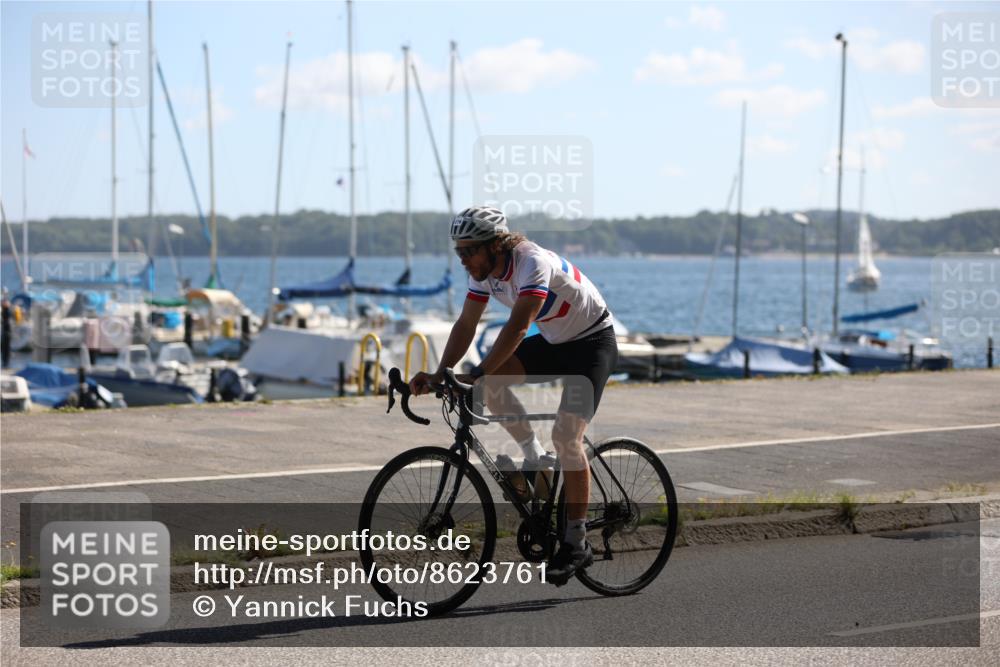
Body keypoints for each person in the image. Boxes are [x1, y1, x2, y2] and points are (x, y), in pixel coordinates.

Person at [409, 206, 618, 585]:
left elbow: (519, 327)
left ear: (495, 245)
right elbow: (466, 324)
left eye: (469, 251)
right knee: (490, 386)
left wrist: (479, 372)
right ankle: (535, 459)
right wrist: (441, 373)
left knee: (566, 437)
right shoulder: (484, 272)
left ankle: (576, 541)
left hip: (592, 344)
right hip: (557, 342)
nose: (464, 260)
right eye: (459, 252)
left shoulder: (530, 263)